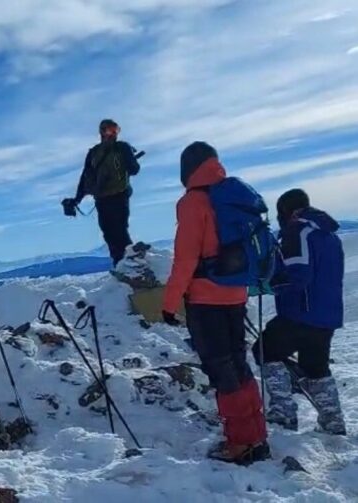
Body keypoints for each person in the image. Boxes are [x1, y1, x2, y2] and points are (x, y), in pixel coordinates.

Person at [162, 142, 268, 464]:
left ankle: (239, 444)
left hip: (207, 299)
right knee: (238, 364)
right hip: (236, 294)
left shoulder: (193, 202)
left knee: (221, 369)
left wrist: (169, 304)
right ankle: (256, 436)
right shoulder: (232, 195)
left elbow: (186, 258)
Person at [252, 189, 346, 435]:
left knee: (264, 350)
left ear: (290, 212)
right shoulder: (329, 235)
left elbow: (297, 274)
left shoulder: (297, 231)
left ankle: (283, 413)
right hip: (328, 315)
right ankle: (333, 421)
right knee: (315, 366)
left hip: (301, 312)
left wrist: (267, 285)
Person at [66, 119, 141, 266]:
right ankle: (123, 265)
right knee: (110, 234)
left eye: (116, 130)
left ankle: (131, 264)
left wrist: (128, 157)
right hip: (103, 199)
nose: (113, 134)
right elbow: (86, 177)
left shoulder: (121, 148)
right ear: (102, 132)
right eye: (109, 130)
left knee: (118, 231)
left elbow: (134, 170)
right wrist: (77, 199)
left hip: (118, 196)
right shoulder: (95, 153)